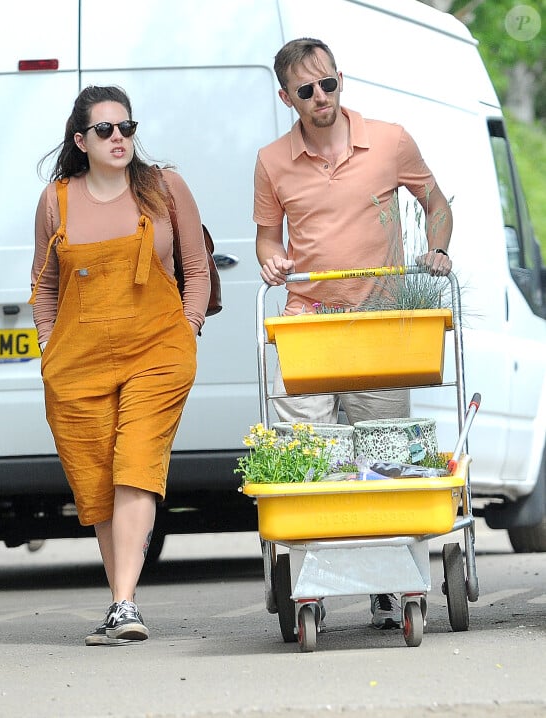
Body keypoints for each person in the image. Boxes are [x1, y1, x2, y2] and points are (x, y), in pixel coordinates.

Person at [253, 38, 453, 630]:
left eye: (328, 85)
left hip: (380, 324)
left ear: (342, 79)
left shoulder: (389, 140)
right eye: (306, 90)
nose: (321, 98)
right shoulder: (271, 161)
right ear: (287, 97)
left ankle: (387, 585)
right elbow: (268, 236)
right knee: (308, 459)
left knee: (384, 455)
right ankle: (311, 580)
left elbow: (436, 203)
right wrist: (271, 260)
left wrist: (437, 249)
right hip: (308, 320)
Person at [30, 86, 210, 646]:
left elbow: (195, 269)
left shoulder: (165, 188)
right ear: (80, 140)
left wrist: (188, 328)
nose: (119, 138)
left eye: (127, 128)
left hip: (158, 351)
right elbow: (44, 287)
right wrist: (48, 348)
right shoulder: (56, 200)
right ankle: (122, 605)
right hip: (76, 362)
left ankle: (123, 602)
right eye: (105, 130)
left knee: (136, 461)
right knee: (99, 479)